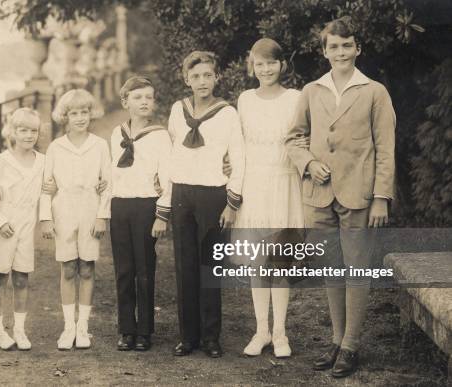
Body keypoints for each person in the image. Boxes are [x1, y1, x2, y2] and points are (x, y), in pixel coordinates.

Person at [285, 16, 395, 378]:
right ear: (324, 51)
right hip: (319, 196)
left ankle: (351, 345)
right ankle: (336, 340)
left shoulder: (374, 91)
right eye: (334, 46)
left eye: (348, 46)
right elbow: (294, 138)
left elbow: (385, 148)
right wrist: (308, 163)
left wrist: (381, 196)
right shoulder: (311, 91)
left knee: (356, 268)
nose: (341, 52)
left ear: (358, 48)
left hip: (359, 196)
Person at [167, 51, 245, 358]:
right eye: (196, 76)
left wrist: (232, 201)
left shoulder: (227, 113)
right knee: (185, 265)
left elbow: (238, 157)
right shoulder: (177, 110)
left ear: (217, 77)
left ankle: (212, 337)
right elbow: (171, 149)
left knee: (211, 267)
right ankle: (188, 337)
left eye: (208, 75)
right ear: (187, 79)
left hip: (214, 195)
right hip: (182, 194)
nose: (202, 81)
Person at [235, 38, 309, 358]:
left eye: (270, 63)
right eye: (259, 64)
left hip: (284, 183)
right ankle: (261, 330)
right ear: (253, 67)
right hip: (254, 186)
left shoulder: (295, 97)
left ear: (282, 65)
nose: (265, 69)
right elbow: (237, 147)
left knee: (280, 263)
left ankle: (280, 332)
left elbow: (303, 140)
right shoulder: (245, 99)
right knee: (258, 263)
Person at [41, 89, 111, 351]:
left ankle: (83, 328)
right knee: (68, 267)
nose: (80, 118)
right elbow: (47, 185)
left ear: (91, 114)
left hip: (90, 209)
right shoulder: (56, 147)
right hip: (64, 209)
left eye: (84, 112)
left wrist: (103, 215)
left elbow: (108, 183)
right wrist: (46, 218)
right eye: (74, 113)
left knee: (87, 267)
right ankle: (68, 326)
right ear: (65, 116)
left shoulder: (100, 145)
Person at [109, 76, 171, 351]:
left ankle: (144, 330)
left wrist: (161, 215)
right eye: (137, 97)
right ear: (125, 102)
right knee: (124, 269)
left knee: (145, 268)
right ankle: (126, 329)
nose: (144, 101)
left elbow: (168, 178)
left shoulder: (160, 136)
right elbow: (110, 173)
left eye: (149, 96)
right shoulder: (116, 134)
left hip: (147, 206)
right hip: (120, 205)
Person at [0, 108, 46, 351]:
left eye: (33, 131)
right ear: (12, 132)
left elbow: (52, 185)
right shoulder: (2, 160)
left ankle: (19, 329)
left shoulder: (43, 161)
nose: (29, 135)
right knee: (0, 276)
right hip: (4, 226)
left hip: (26, 224)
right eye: (23, 130)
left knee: (21, 277)